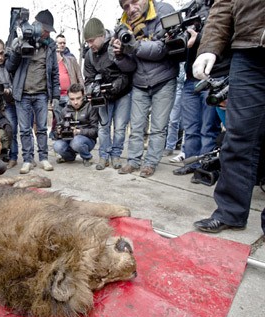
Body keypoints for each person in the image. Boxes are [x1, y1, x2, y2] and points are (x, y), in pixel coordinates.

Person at [192, 0, 265, 233]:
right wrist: (209, 48)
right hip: (248, 50)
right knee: (237, 136)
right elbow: (223, 4)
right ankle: (230, 211)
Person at [113, 0, 179, 178]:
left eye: (134, 2)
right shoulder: (123, 24)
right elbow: (130, 67)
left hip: (163, 79)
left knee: (158, 127)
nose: (131, 9)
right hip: (139, 81)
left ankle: (150, 163)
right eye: (126, 6)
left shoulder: (164, 10)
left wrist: (132, 46)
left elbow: (161, 49)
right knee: (135, 127)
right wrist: (119, 56)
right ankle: (133, 161)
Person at [171, 3, 224, 178]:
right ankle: (191, 163)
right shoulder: (189, 11)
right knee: (191, 127)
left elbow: (222, 36)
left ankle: (205, 166)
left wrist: (200, 37)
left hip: (211, 77)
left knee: (208, 127)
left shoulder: (218, 10)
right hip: (190, 79)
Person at [6, 9, 60, 174]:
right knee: (24, 130)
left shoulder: (50, 47)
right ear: (37, 26)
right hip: (22, 94)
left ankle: (43, 158)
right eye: (46, 30)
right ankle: (28, 160)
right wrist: (16, 50)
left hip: (41, 94)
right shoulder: (22, 41)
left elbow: (55, 73)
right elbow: (9, 67)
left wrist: (56, 95)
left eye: (49, 31)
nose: (47, 33)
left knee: (42, 128)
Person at [83, 17, 133, 171]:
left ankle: (116, 155)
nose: (90, 45)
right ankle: (103, 155)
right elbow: (89, 79)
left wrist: (116, 85)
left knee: (119, 127)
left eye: (92, 41)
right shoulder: (89, 55)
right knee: (103, 127)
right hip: (103, 96)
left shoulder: (116, 45)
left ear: (102, 35)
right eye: (87, 42)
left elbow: (129, 69)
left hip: (123, 92)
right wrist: (93, 89)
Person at [0, 38, 19, 169]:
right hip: (4, 104)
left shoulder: (11, 62)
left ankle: (27, 157)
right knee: (10, 129)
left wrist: (9, 90)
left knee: (25, 129)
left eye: (1, 53)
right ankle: (13, 157)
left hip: (18, 99)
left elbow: (19, 80)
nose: (0, 57)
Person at [53, 83, 99, 166]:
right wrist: (58, 131)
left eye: (78, 98)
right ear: (68, 98)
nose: (75, 102)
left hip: (86, 140)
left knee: (76, 142)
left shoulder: (90, 107)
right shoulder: (65, 110)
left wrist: (78, 131)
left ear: (83, 96)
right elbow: (56, 130)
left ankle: (87, 157)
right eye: (72, 99)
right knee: (57, 145)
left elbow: (95, 131)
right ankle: (70, 157)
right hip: (68, 139)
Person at [54, 34, 84, 125]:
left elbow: (79, 76)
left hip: (70, 95)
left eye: (64, 43)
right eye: (60, 43)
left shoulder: (71, 59)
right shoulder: (51, 62)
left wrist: (83, 91)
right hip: (57, 96)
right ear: (55, 44)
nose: (62, 45)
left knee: (70, 117)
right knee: (59, 120)